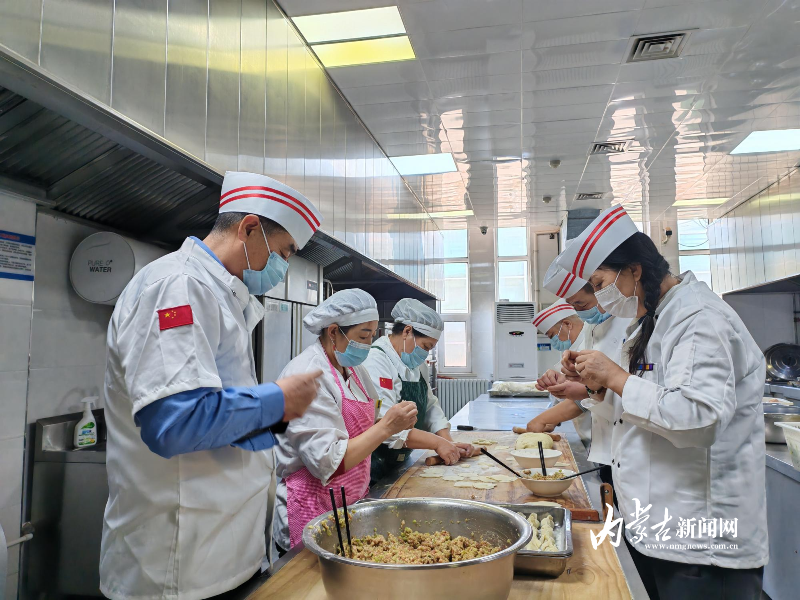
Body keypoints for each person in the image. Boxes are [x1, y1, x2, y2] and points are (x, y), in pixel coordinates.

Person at [100, 172, 325, 600]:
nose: (282, 267)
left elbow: (220, 416)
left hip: (220, 555)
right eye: (283, 252)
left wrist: (276, 419)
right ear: (249, 228)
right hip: (177, 567)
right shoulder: (177, 286)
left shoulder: (220, 293)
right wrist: (276, 401)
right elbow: (175, 422)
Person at [557, 205, 768, 600]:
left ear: (634, 270)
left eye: (600, 283)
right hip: (657, 530)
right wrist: (597, 387)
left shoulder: (699, 318)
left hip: (701, 544)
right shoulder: (654, 321)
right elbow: (639, 413)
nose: (600, 298)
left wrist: (615, 377)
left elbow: (699, 418)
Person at [273, 289, 418, 552]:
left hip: (348, 505)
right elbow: (328, 462)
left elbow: (369, 419)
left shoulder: (353, 369)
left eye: (372, 335)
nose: (369, 344)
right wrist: (387, 427)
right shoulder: (308, 374)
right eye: (363, 336)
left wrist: (394, 422)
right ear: (333, 332)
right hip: (310, 509)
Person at [528, 262, 630, 468]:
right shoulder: (593, 328)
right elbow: (594, 386)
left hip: (626, 445)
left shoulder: (628, 324)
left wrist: (583, 391)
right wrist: (572, 381)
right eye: (573, 306)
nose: (580, 312)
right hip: (604, 443)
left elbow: (625, 387)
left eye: (581, 305)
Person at [363, 298, 476, 481]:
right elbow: (387, 424)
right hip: (375, 465)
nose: (425, 353)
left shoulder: (416, 363)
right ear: (407, 331)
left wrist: (449, 443)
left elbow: (430, 406)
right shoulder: (376, 360)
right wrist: (437, 443)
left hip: (400, 462)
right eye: (425, 347)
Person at [530, 299, 590, 442]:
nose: (553, 341)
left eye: (552, 336)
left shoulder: (589, 346)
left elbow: (586, 396)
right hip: (588, 434)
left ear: (568, 324)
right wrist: (552, 421)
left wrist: (543, 420)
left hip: (600, 433)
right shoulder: (572, 349)